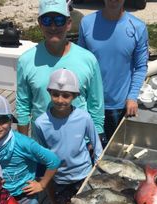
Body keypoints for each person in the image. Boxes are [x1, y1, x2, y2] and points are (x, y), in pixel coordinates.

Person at [16, 0, 105, 143]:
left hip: (80, 143)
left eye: (59, 20)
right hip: (41, 145)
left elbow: (96, 104)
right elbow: (23, 105)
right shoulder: (25, 60)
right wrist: (23, 143)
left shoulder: (88, 59)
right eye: (47, 20)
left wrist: (96, 137)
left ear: (69, 23)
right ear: (40, 23)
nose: (53, 26)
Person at [35, 68, 103, 204]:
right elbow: (42, 153)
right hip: (59, 177)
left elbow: (97, 146)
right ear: (49, 93)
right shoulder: (40, 123)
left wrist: (96, 170)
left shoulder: (84, 117)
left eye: (66, 95)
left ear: (75, 96)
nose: (60, 100)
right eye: (55, 94)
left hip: (83, 173)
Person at [78, 0, 149, 141]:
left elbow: (141, 67)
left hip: (119, 106)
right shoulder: (86, 23)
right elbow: (80, 62)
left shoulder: (138, 27)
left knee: (112, 155)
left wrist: (132, 97)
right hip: (90, 104)